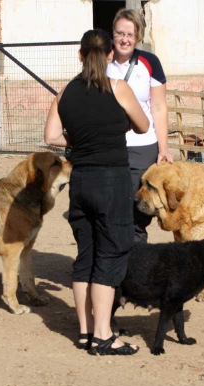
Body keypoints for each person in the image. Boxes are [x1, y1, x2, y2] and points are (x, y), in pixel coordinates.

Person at [44, 29, 149, 356]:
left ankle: (86, 333)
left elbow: (51, 136)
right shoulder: (119, 88)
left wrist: (79, 141)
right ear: (108, 56)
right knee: (111, 253)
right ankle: (103, 335)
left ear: (80, 55)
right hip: (112, 181)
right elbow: (144, 126)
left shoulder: (65, 94)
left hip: (81, 181)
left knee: (85, 256)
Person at [107, 8, 173, 244]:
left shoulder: (150, 62)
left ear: (138, 38)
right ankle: (110, 267)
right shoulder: (101, 61)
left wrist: (163, 148)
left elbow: (159, 107)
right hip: (109, 147)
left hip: (142, 147)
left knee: (137, 211)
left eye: (130, 35)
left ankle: (134, 268)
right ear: (112, 34)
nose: (124, 39)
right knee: (110, 207)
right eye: (119, 33)